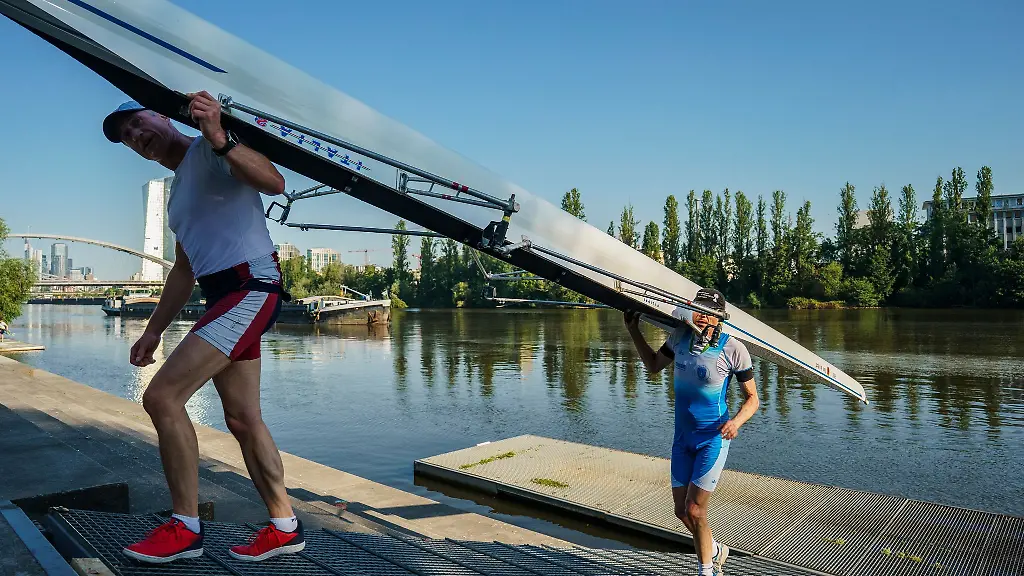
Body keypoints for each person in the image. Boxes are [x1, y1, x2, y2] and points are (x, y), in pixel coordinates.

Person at [102, 93, 305, 563]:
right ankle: (284, 526)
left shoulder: (209, 150)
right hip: (223, 295)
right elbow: (183, 270)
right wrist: (154, 330)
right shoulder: (178, 197)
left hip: (251, 285)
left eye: (137, 122)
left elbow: (274, 182)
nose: (136, 136)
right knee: (242, 418)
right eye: (127, 137)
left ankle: (185, 528)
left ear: (160, 114)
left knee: (161, 397)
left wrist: (218, 136)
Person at [624, 287, 759, 576]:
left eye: (708, 312)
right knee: (681, 511)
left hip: (712, 439)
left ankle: (707, 571)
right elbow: (653, 365)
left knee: (696, 510)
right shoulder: (679, 338)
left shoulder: (734, 349)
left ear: (719, 317)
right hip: (682, 439)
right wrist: (633, 329)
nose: (701, 316)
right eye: (698, 309)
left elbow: (753, 399)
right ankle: (715, 550)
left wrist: (735, 423)